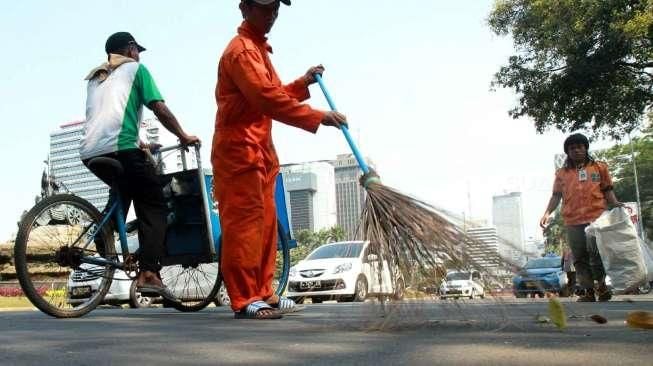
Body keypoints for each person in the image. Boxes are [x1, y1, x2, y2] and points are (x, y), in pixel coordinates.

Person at [212, 0, 348, 319]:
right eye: (265, 8)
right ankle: (245, 298)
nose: (271, 15)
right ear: (244, 8)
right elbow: (266, 98)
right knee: (244, 225)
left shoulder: (259, 50)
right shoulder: (242, 51)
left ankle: (264, 292)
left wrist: (303, 83)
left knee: (267, 224)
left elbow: (274, 93)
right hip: (238, 150)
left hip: (260, 150)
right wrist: (318, 116)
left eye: (275, 8)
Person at [80, 31, 200, 301]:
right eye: (137, 51)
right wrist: (183, 135)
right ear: (131, 49)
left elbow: (110, 118)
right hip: (122, 150)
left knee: (124, 190)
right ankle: (149, 273)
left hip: (90, 152)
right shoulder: (136, 69)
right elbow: (159, 108)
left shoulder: (97, 78)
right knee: (154, 203)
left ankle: (106, 231)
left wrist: (143, 144)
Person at [540, 133, 622, 302]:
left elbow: (607, 190)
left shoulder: (600, 167)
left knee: (596, 254)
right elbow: (556, 196)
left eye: (579, 147)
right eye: (572, 148)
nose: (576, 150)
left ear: (585, 148)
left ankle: (602, 286)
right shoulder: (562, 173)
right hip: (573, 220)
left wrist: (616, 204)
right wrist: (547, 213)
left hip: (597, 218)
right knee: (579, 256)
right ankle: (588, 291)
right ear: (567, 152)